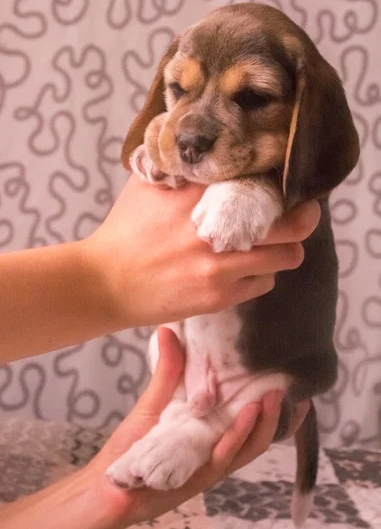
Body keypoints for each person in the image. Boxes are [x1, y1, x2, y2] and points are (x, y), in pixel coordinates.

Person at [0, 174, 320, 528]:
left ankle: (190, 422)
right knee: (168, 343)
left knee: (169, 340)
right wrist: (104, 276)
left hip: (264, 361)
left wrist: (95, 494)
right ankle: (190, 420)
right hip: (221, 362)